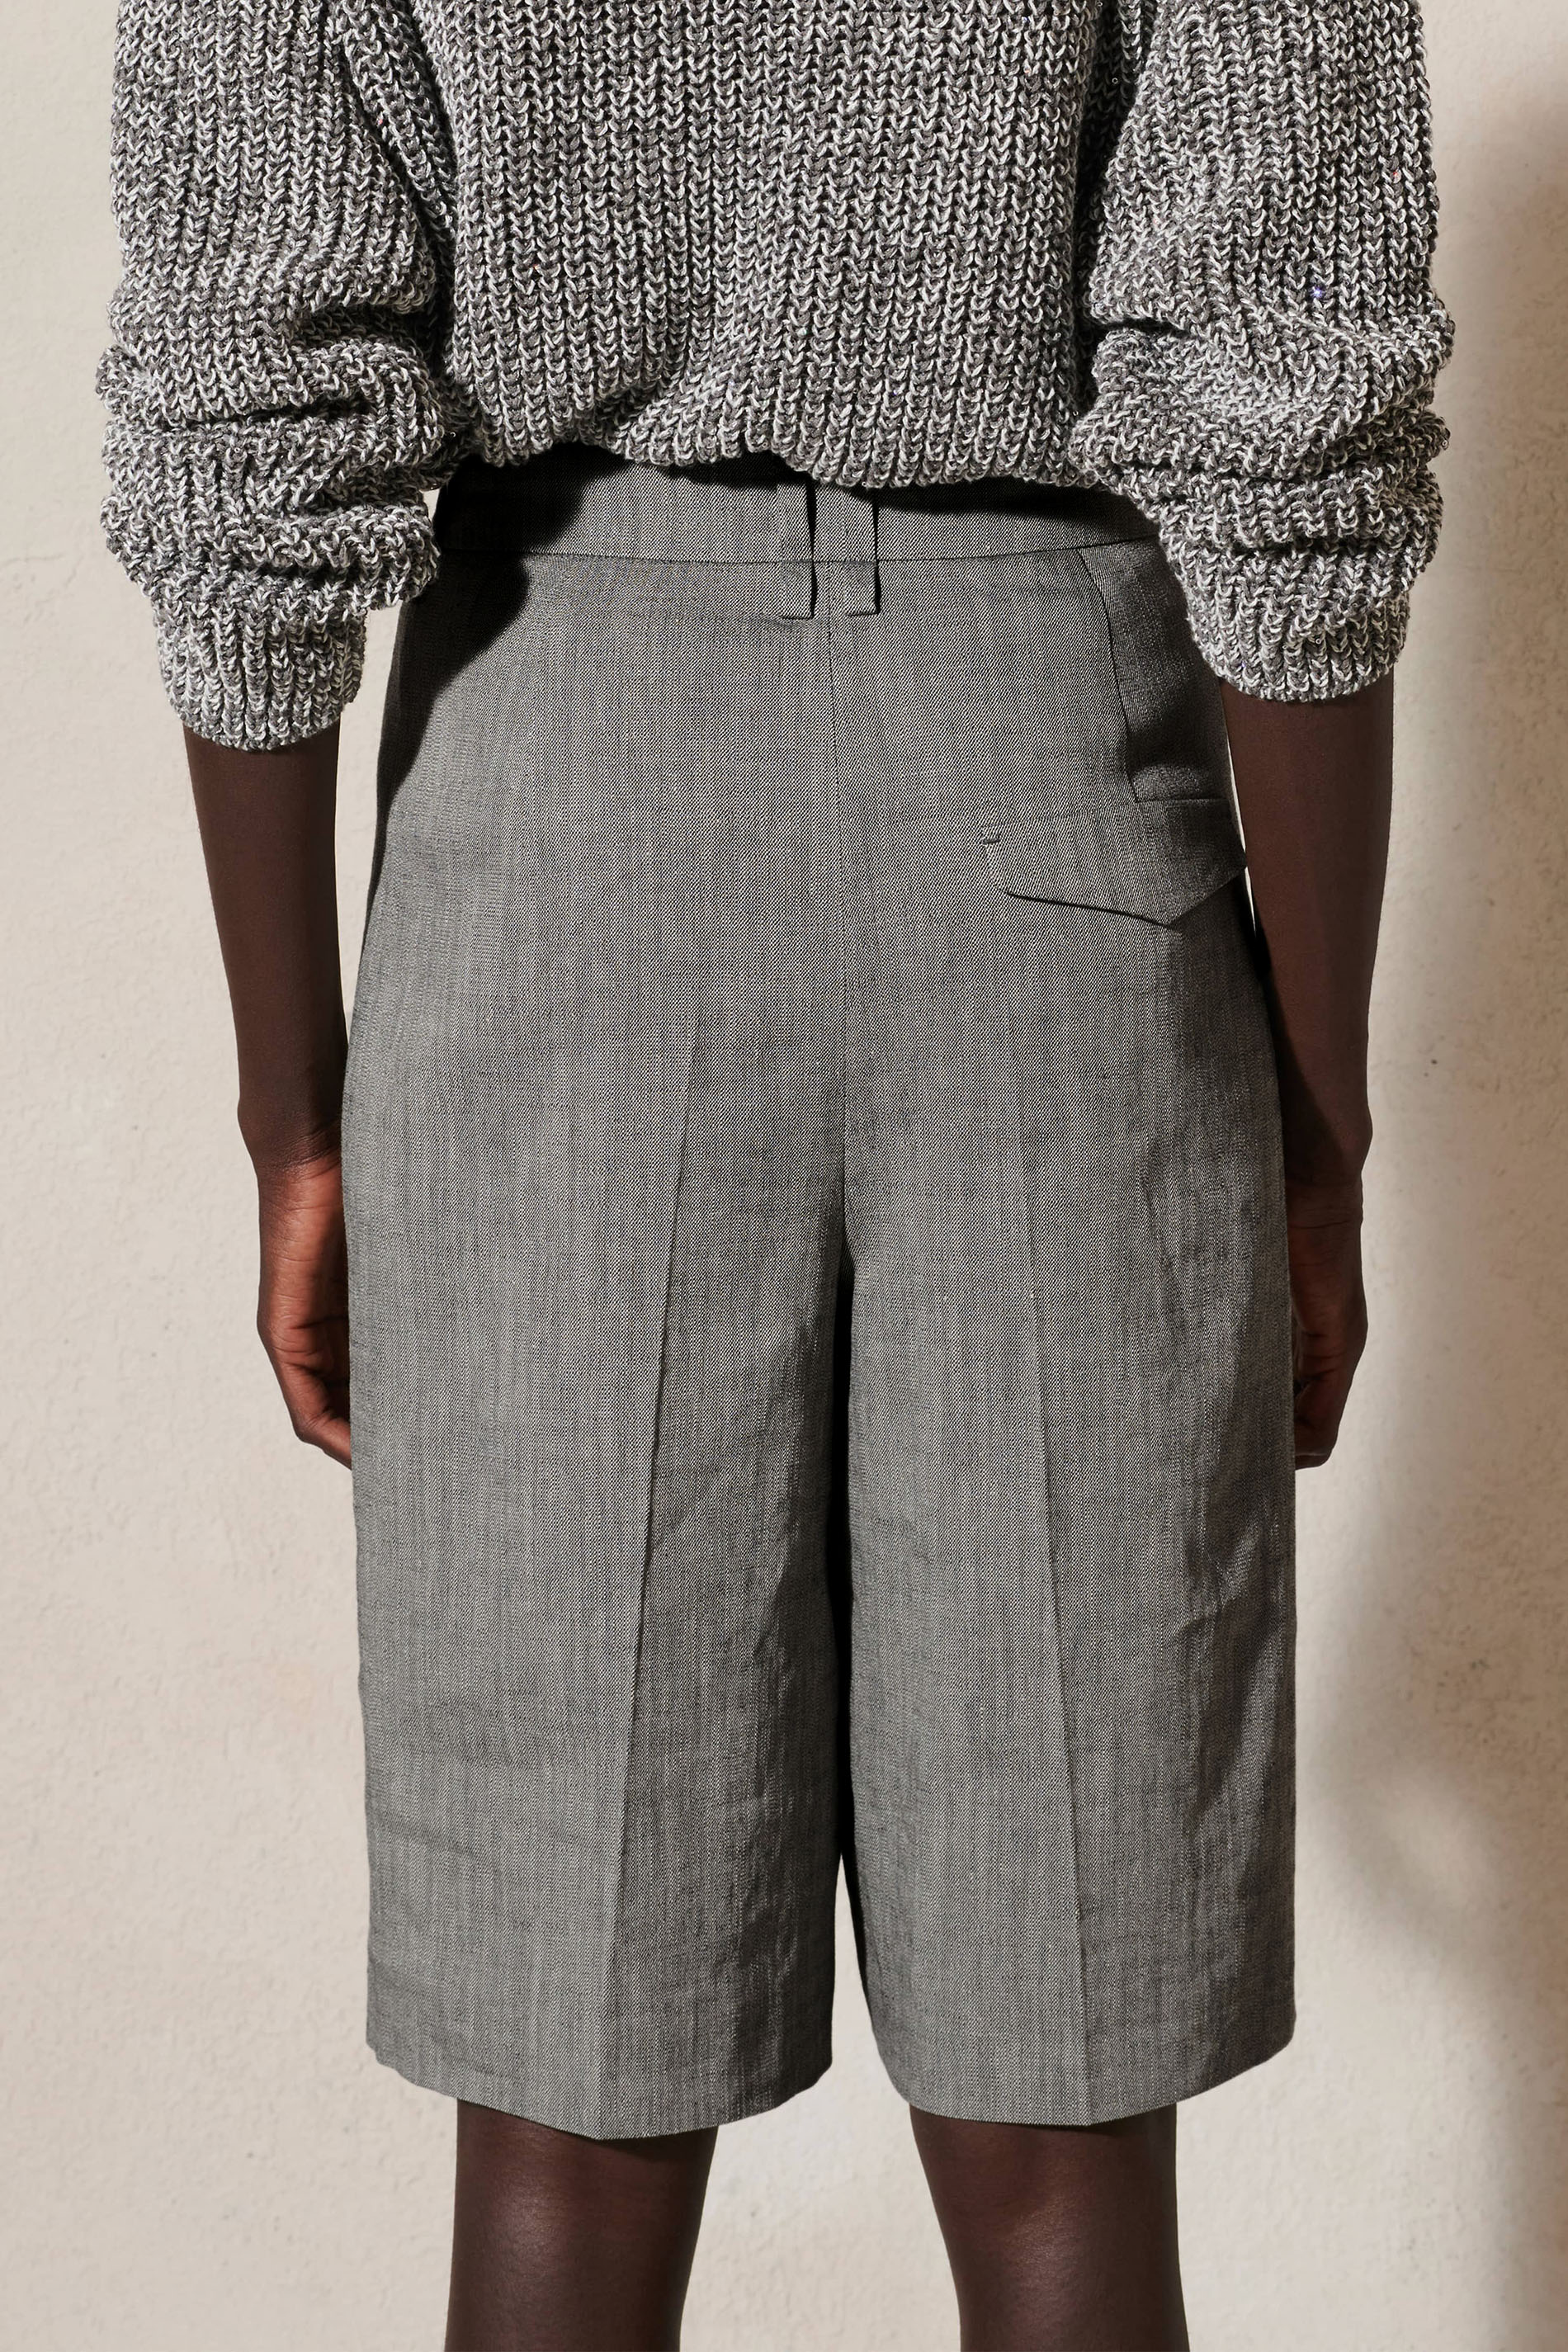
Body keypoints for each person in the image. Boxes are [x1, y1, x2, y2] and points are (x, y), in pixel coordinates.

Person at [100, 1, 1452, 2343]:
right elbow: (1292, 402)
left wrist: (292, 1110)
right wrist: (1313, 1125)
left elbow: (244, 400)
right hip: (1054, 818)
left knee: (568, 2100)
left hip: (557, 823)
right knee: (1060, 2126)